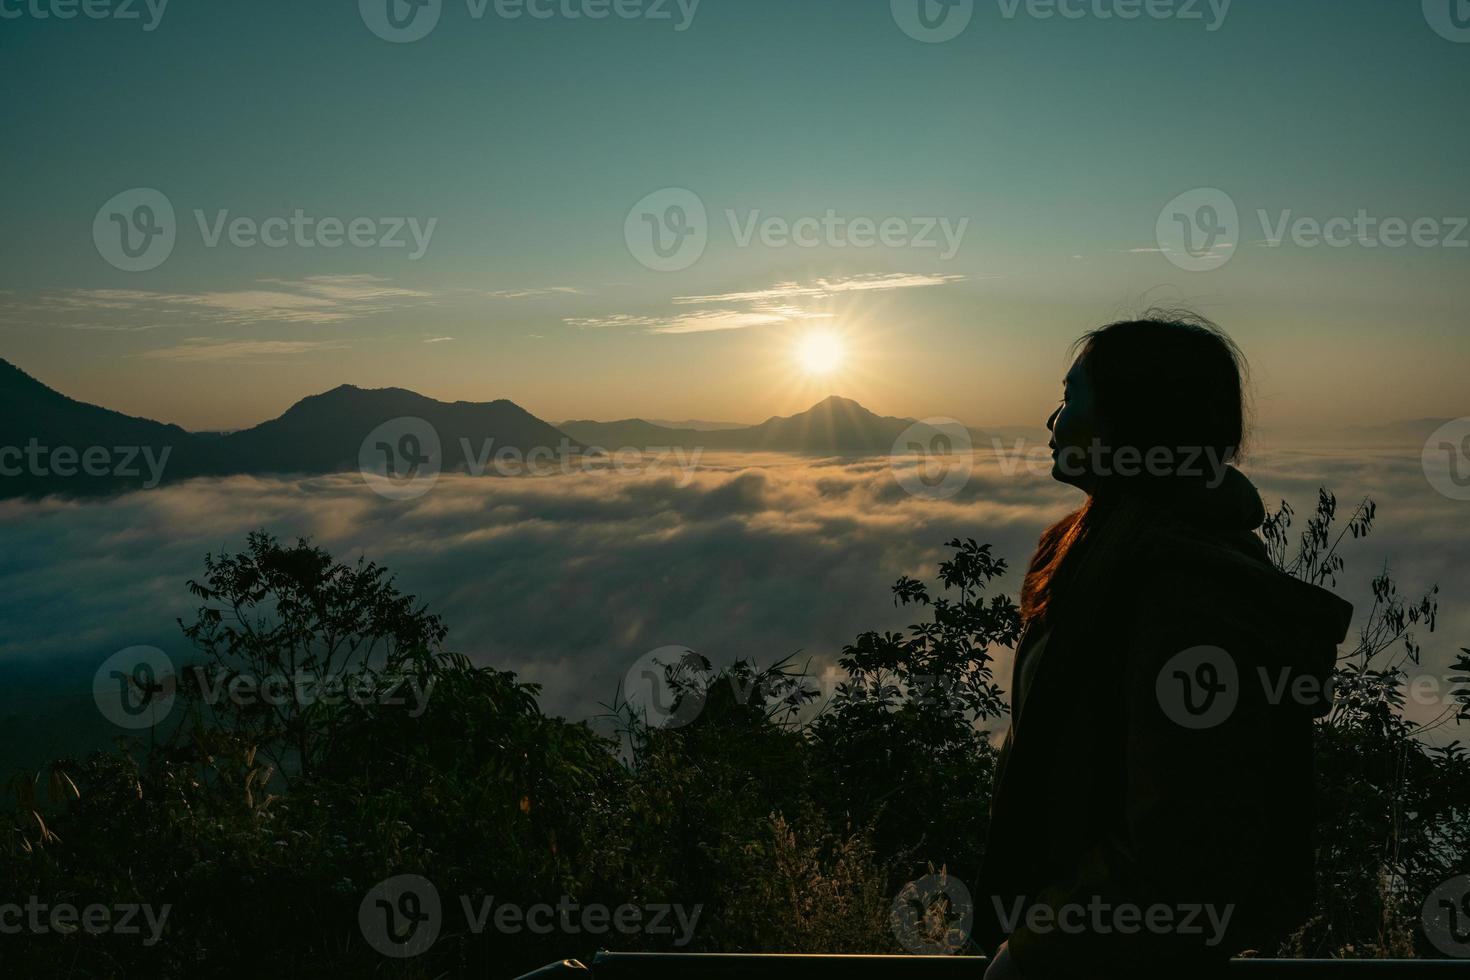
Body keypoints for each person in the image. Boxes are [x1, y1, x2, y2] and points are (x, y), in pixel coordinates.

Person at [977, 313, 1354, 979]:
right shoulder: (1095, 551)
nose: (1053, 421)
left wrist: (1035, 952)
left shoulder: (1187, 589)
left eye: (1071, 398)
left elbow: (1181, 844)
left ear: (1132, 419)